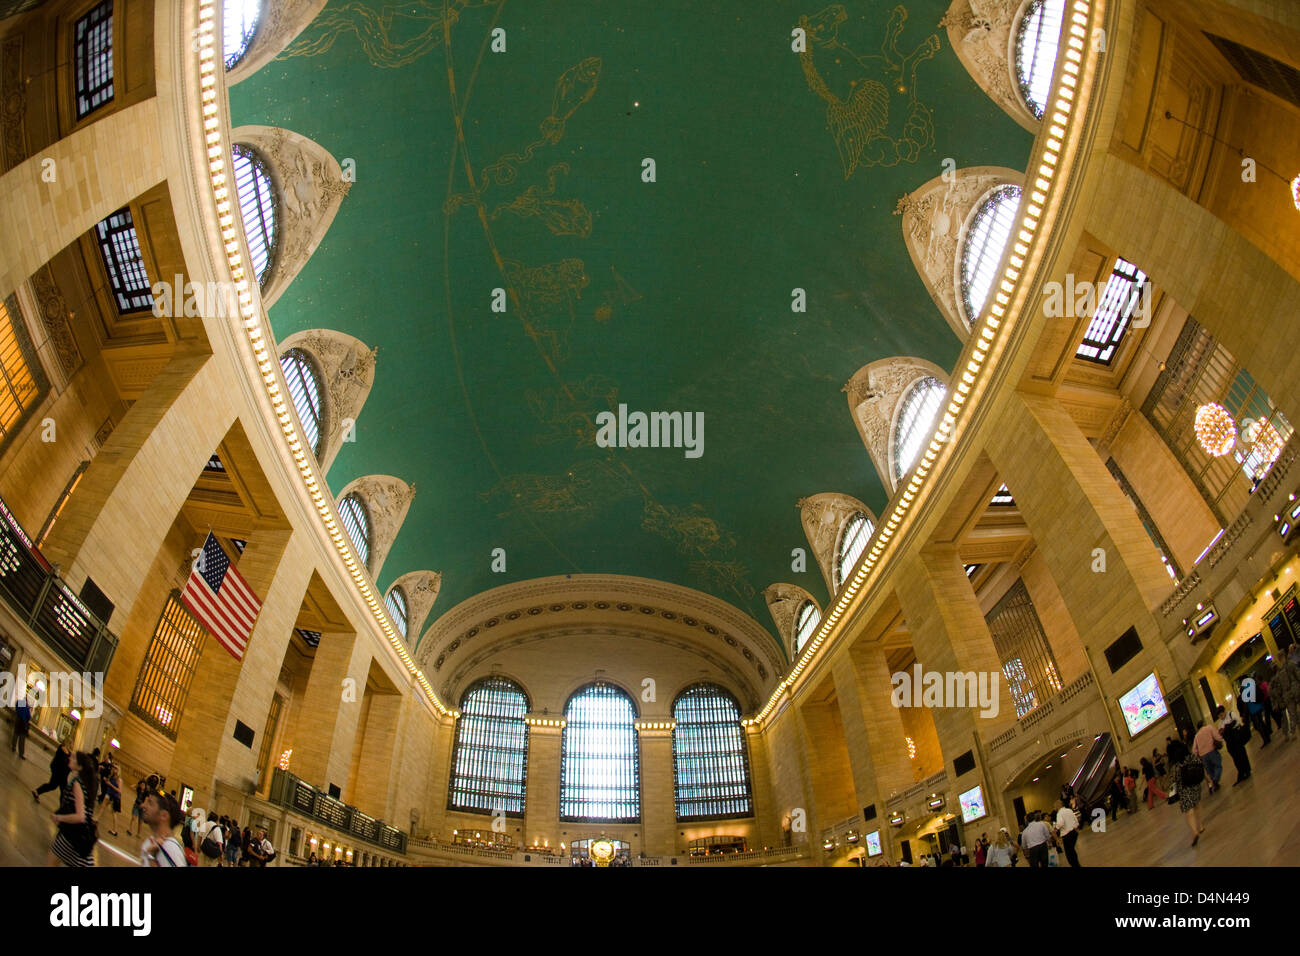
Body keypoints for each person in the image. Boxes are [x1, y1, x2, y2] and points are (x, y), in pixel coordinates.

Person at [49, 751, 98, 867]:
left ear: (80, 766)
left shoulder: (77, 784)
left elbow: (80, 816)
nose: (70, 758)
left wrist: (59, 817)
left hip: (71, 836)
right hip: (77, 836)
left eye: (74, 757)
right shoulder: (84, 783)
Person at [1168, 738, 1206, 847]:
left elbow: (1173, 780)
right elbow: (1200, 765)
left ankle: (1194, 832)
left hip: (1184, 789)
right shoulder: (1191, 757)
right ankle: (1201, 825)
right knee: (1197, 805)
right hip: (1195, 785)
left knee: (1189, 812)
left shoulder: (1176, 765)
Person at [139, 790, 187, 867]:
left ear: (164, 815)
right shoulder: (151, 841)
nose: (143, 806)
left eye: (150, 803)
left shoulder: (170, 848)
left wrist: (151, 858)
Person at [1268, 655, 1300, 739]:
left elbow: (1276, 691)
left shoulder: (1276, 678)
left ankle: (1291, 732)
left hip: (1286, 697)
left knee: (1291, 715)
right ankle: (1291, 732)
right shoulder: (1284, 670)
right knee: (1291, 715)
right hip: (1289, 695)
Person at [1220, 706, 1253, 784]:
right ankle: (1241, 772)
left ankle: (1247, 770)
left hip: (1237, 738)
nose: (1221, 717)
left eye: (1221, 714)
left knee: (1242, 754)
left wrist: (1229, 728)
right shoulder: (1220, 723)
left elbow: (1237, 722)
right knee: (1236, 758)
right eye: (1219, 716)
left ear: (1224, 712)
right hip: (1230, 743)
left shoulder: (1231, 714)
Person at [1191, 719, 1225, 794]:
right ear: (1203, 724)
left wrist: (1198, 755)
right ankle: (1216, 780)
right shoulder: (1209, 728)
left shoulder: (1196, 736)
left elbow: (1194, 750)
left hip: (1203, 756)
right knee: (1218, 766)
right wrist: (1220, 740)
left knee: (1210, 771)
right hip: (1212, 751)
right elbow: (1217, 736)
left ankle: (1215, 783)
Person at [1054, 798, 1082, 867]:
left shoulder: (1059, 813)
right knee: (1072, 850)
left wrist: (1056, 828)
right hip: (1073, 833)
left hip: (1067, 835)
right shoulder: (1069, 810)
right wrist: (1075, 827)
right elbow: (1076, 820)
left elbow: (1060, 823)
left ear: (1057, 806)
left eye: (1054, 807)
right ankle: (1077, 864)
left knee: (1069, 854)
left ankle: (1076, 865)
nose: (1054, 808)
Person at [98, 761, 122, 836]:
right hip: (109, 794)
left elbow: (119, 790)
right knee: (102, 806)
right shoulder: (112, 776)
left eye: (115, 768)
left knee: (113, 813)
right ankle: (96, 818)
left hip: (114, 797)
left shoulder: (119, 779)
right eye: (113, 767)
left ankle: (115, 830)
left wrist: (110, 784)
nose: (113, 769)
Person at [10, 692, 30, 758]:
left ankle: (13, 747)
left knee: (16, 734)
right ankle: (21, 753)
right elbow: (28, 717)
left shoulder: (19, 702)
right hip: (23, 723)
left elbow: (16, 708)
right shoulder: (26, 707)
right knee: (22, 739)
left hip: (18, 720)